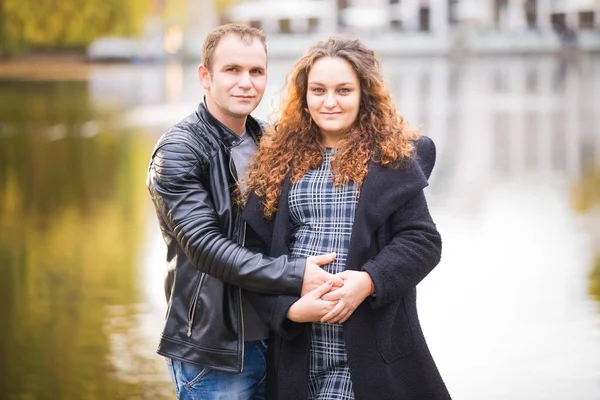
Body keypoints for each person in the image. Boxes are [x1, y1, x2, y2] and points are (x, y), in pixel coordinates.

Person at [242, 36, 451, 399]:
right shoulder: (277, 162)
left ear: (364, 94)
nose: (330, 102)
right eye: (318, 90)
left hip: (370, 349)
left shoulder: (391, 159)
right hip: (300, 349)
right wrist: (289, 309)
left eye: (343, 90)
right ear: (304, 96)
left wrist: (368, 282)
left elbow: (422, 242)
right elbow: (254, 257)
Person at [146, 24, 342, 400]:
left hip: (280, 334)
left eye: (256, 71)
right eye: (232, 70)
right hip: (216, 353)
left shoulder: (269, 141)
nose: (246, 83)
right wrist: (296, 274)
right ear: (205, 76)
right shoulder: (178, 151)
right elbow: (205, 247)